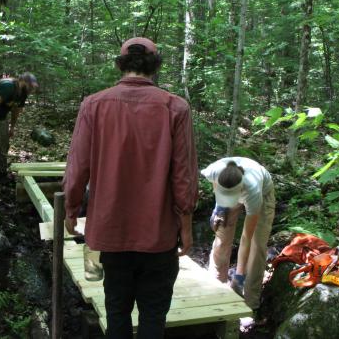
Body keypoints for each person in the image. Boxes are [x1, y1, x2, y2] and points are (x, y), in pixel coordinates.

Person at [62, 37, 198, 339]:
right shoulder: (175, 107)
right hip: (159, 234)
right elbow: (184, 175)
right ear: (155, 66)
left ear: (121, 65)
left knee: (117, 311)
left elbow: (77, 166)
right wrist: (186, 224)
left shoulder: (94, 105)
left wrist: (71, 209)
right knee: (153, 315)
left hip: (110, 233)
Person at [202, 157, 275, 312]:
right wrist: (219, 208)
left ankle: (249, 304)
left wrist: (239, 275)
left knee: (257, 245)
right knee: (221, 239)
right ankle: (215, 291)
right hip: (232, 187)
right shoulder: (212, 171)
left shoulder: (253, 191)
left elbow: (245, 238)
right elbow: (216, 186)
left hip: (262, 193)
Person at [0, 72, 39, 179]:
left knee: (4, 145)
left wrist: (12, 127)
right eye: (30, 85)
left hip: (2, 118)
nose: (32, 89)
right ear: (23, 81)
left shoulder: (23, 93)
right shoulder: (8, 86)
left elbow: (16, 110)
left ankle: (1, 172)